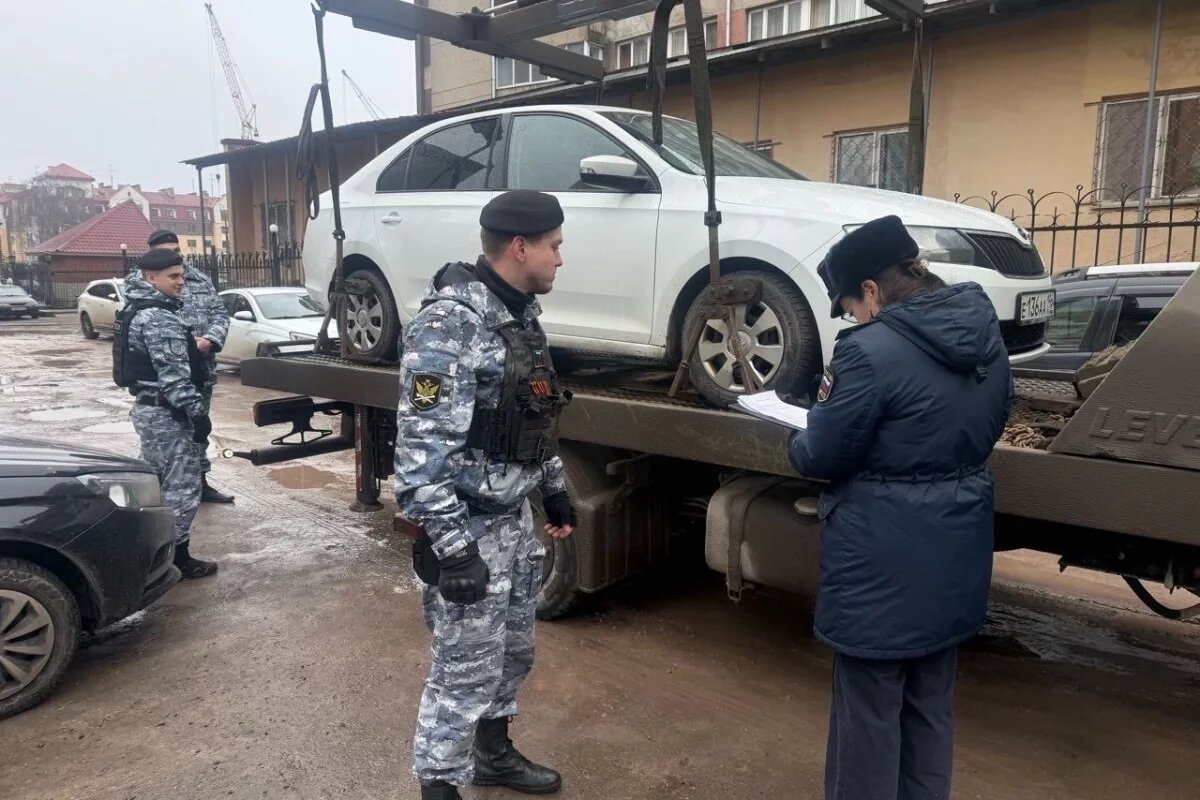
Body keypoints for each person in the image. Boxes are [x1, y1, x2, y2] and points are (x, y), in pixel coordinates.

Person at [788, 215, 1013, 800]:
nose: (852, 319)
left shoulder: (867, 352)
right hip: (956, 545)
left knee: (868, 716)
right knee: (931, 707)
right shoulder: (983, 329)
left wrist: (799, 434)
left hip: (881, 558)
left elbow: (821, 454)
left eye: (849, 306)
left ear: (871, 290)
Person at [394, 190, 577, 800]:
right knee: (461, 673)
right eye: (554, 246)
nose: (560, 258)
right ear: (520, 247)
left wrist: (553, 491)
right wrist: (452, 549)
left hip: (511, 526)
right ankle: (440, 787)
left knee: (512, 655)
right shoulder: (448, 326)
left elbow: (534, 415)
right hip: (467, 529)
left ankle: (493, 756)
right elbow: (419, 457)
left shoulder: (518, 317)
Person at [119, 248, 219, 579]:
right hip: (169, 417)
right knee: (182, 490)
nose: (181, 282)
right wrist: (198, 415)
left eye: (182, 275)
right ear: (151, 277)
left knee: (158, 486)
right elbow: (175, 380)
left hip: (150, 411)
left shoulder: (138, 308)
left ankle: (154, 553)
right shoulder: (159, 318)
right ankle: (176, 559)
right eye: (174, 277)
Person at [147, 228, 234, 504]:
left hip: (201, 370)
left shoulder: (199, 279)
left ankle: (200, 483)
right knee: (163, 436)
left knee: (199, 429)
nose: (173, 257)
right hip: (162, 376)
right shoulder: (142, 285)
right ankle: (160, 490)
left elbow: (220, 314)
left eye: (176, 250)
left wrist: (210, 339)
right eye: (165, 252)